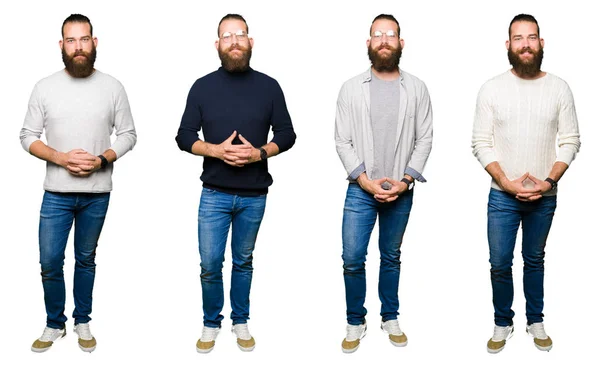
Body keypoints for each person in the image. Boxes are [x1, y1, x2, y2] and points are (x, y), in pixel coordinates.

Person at [175, 13, 296, 354]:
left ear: (251, 41)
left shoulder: (270, 86)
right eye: (226, 36)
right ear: (217, 45)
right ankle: (211, 323)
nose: (234, 41)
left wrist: (259, 153)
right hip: (213, 193)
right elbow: (183, 136)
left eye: (239, 34)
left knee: (243, 261)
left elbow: (287, 134)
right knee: (210, 264)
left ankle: (240, 320)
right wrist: (214, 150)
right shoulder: (201, 87)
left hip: (254, 195)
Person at [20, 14, 137, 353]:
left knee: (86, 258)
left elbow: (129, 134)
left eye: (84, 39)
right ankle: (55, 323)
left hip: (97, 194)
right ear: (61, 46)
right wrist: (61, 158)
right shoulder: (45, 87)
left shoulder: (113, 86)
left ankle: (82, 320)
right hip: (55, 192)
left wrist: (102, 160)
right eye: (71, 41)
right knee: (50, 261)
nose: (78, 47)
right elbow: (27, 135)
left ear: (94, 42)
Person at [472, 13, 580, 354]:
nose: (525, 44)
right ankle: (503, 322)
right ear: (508, 45)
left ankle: (536, 320)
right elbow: (480, 142)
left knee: (534, 260)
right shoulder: (491, 88)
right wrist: (506, 181)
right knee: (500, 263)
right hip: (502, 197)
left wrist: (548, 181)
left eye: (531, 37)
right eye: (518, 38)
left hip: (544, 196)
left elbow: (571, 140)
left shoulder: (559, 87)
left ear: (541, 43)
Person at [335, 13, 433, 353]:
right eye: (378, 34)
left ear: (401, 43)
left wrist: (406, 181)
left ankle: (389, 316)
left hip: (401, 191)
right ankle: (355, 320)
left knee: (391, 256)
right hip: (360, 190)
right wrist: (364, 180)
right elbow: (342, 141)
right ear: (368, 43)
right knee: (352, 257)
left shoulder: (417, 88)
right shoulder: (350, 88)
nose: (384, 39)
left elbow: (425, 139)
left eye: (391, 34)